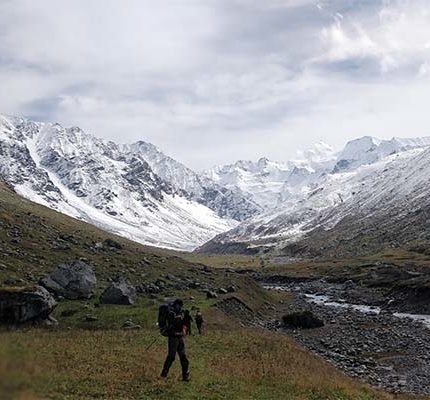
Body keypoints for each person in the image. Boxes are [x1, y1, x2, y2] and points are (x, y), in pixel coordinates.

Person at [160, 299, 190, 381]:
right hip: (173, 337)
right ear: (176, 305)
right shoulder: (171, 313)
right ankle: (164, 374)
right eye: (179, 305)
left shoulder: (182, 313)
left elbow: (185, 324)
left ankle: (185, 376)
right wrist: (176, 319)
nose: (180, 307)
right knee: (171, 357)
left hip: (180, 337)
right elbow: (171, 324)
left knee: (183, 357)